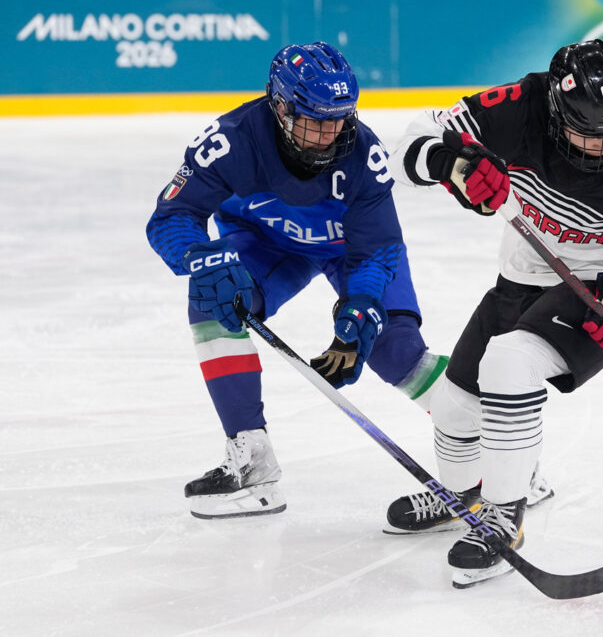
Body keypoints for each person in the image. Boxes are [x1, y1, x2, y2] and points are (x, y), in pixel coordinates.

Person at [384, 39, 603, 588]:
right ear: (555, 111)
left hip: (601, 292)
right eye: (586, 132)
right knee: (457, 408)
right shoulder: (519, 106)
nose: (600, 145)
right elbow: (413, 141)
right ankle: (464, 496)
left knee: (509, 363)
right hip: (519, 280)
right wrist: (454, 164)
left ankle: (504, 515)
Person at [146, 42, 445, 519]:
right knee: (212, 300)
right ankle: (252, 459)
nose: (331, 133)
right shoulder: (230, 141)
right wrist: (200, 257)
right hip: (264, 243)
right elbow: (171, 216)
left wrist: (361, 309)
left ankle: (498, 449)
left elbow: (377, 249)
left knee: (395, 350)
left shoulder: (364, 154)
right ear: (281, 107)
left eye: (340, 118)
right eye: (316, 118)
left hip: (346, 249)